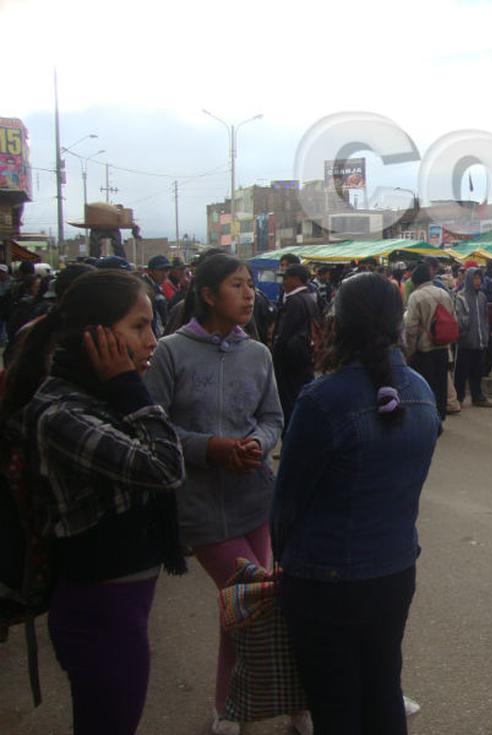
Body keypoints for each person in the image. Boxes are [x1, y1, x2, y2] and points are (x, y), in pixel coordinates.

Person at [1, 270, 186, 735]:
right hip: (100, 611)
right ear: (97, 336)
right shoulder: (63, 412)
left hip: (121, 607)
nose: (154, 340)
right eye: (139, 327)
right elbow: (166, 467)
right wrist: (129, 386)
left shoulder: (94, 398)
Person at [272, 273, 441, 735]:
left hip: (324, 579)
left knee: (335, 701)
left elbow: (287, 502)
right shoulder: (423, 394)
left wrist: (278, 560)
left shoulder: (323, 399)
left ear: (335, 325)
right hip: (394, 571)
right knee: (383, 686)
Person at [143, 254, 288, 735]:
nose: (250, 294)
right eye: (237, 285)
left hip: (254, 500)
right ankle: (236, 704)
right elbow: (152, 430)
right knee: (248, 599)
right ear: (208, 294)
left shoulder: (258, 354)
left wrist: (256, 444)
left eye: (250, 285)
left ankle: (233, 702)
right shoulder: (169, 352)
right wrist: (211, 449)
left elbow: (272, 418)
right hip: (200, 508)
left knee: (244, 605)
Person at [404, 262, 455, 420]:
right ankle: (440, 417)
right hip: (443, 348)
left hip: (423, 351)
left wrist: (409, 351)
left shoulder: (416, 296)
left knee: (426, 386)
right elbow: (453, 320)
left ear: (415, 281)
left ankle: (427, 418)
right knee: (441, 385)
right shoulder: (444, 293)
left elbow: (410, 327)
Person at [273, 264, 320, 428]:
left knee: (288, 403)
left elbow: (283, 336)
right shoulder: (310, 299)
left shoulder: (294, 302)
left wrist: (274, 356)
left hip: (289, 363)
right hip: (304, 359)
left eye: (286, 278)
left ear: (296, 279)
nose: (283, 282)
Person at [453, 266, 492, 407]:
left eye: (479, 278)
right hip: (465, 341)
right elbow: (458, 318)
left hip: (480, 341)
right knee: (461, 372)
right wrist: (463, 331)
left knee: (477, 371)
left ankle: (478, 397)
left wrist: (485, 333)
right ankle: (458, 397)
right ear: (469, 279)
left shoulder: (482, 297)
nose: (478, 281)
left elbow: (485, 318)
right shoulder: (460, 296)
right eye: (475, 278)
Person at [142, 255, 172, 338]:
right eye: (161, 270)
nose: (165, 274)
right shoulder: (145, 288)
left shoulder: (157, 287)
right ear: (150, 271)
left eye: (167, 271)